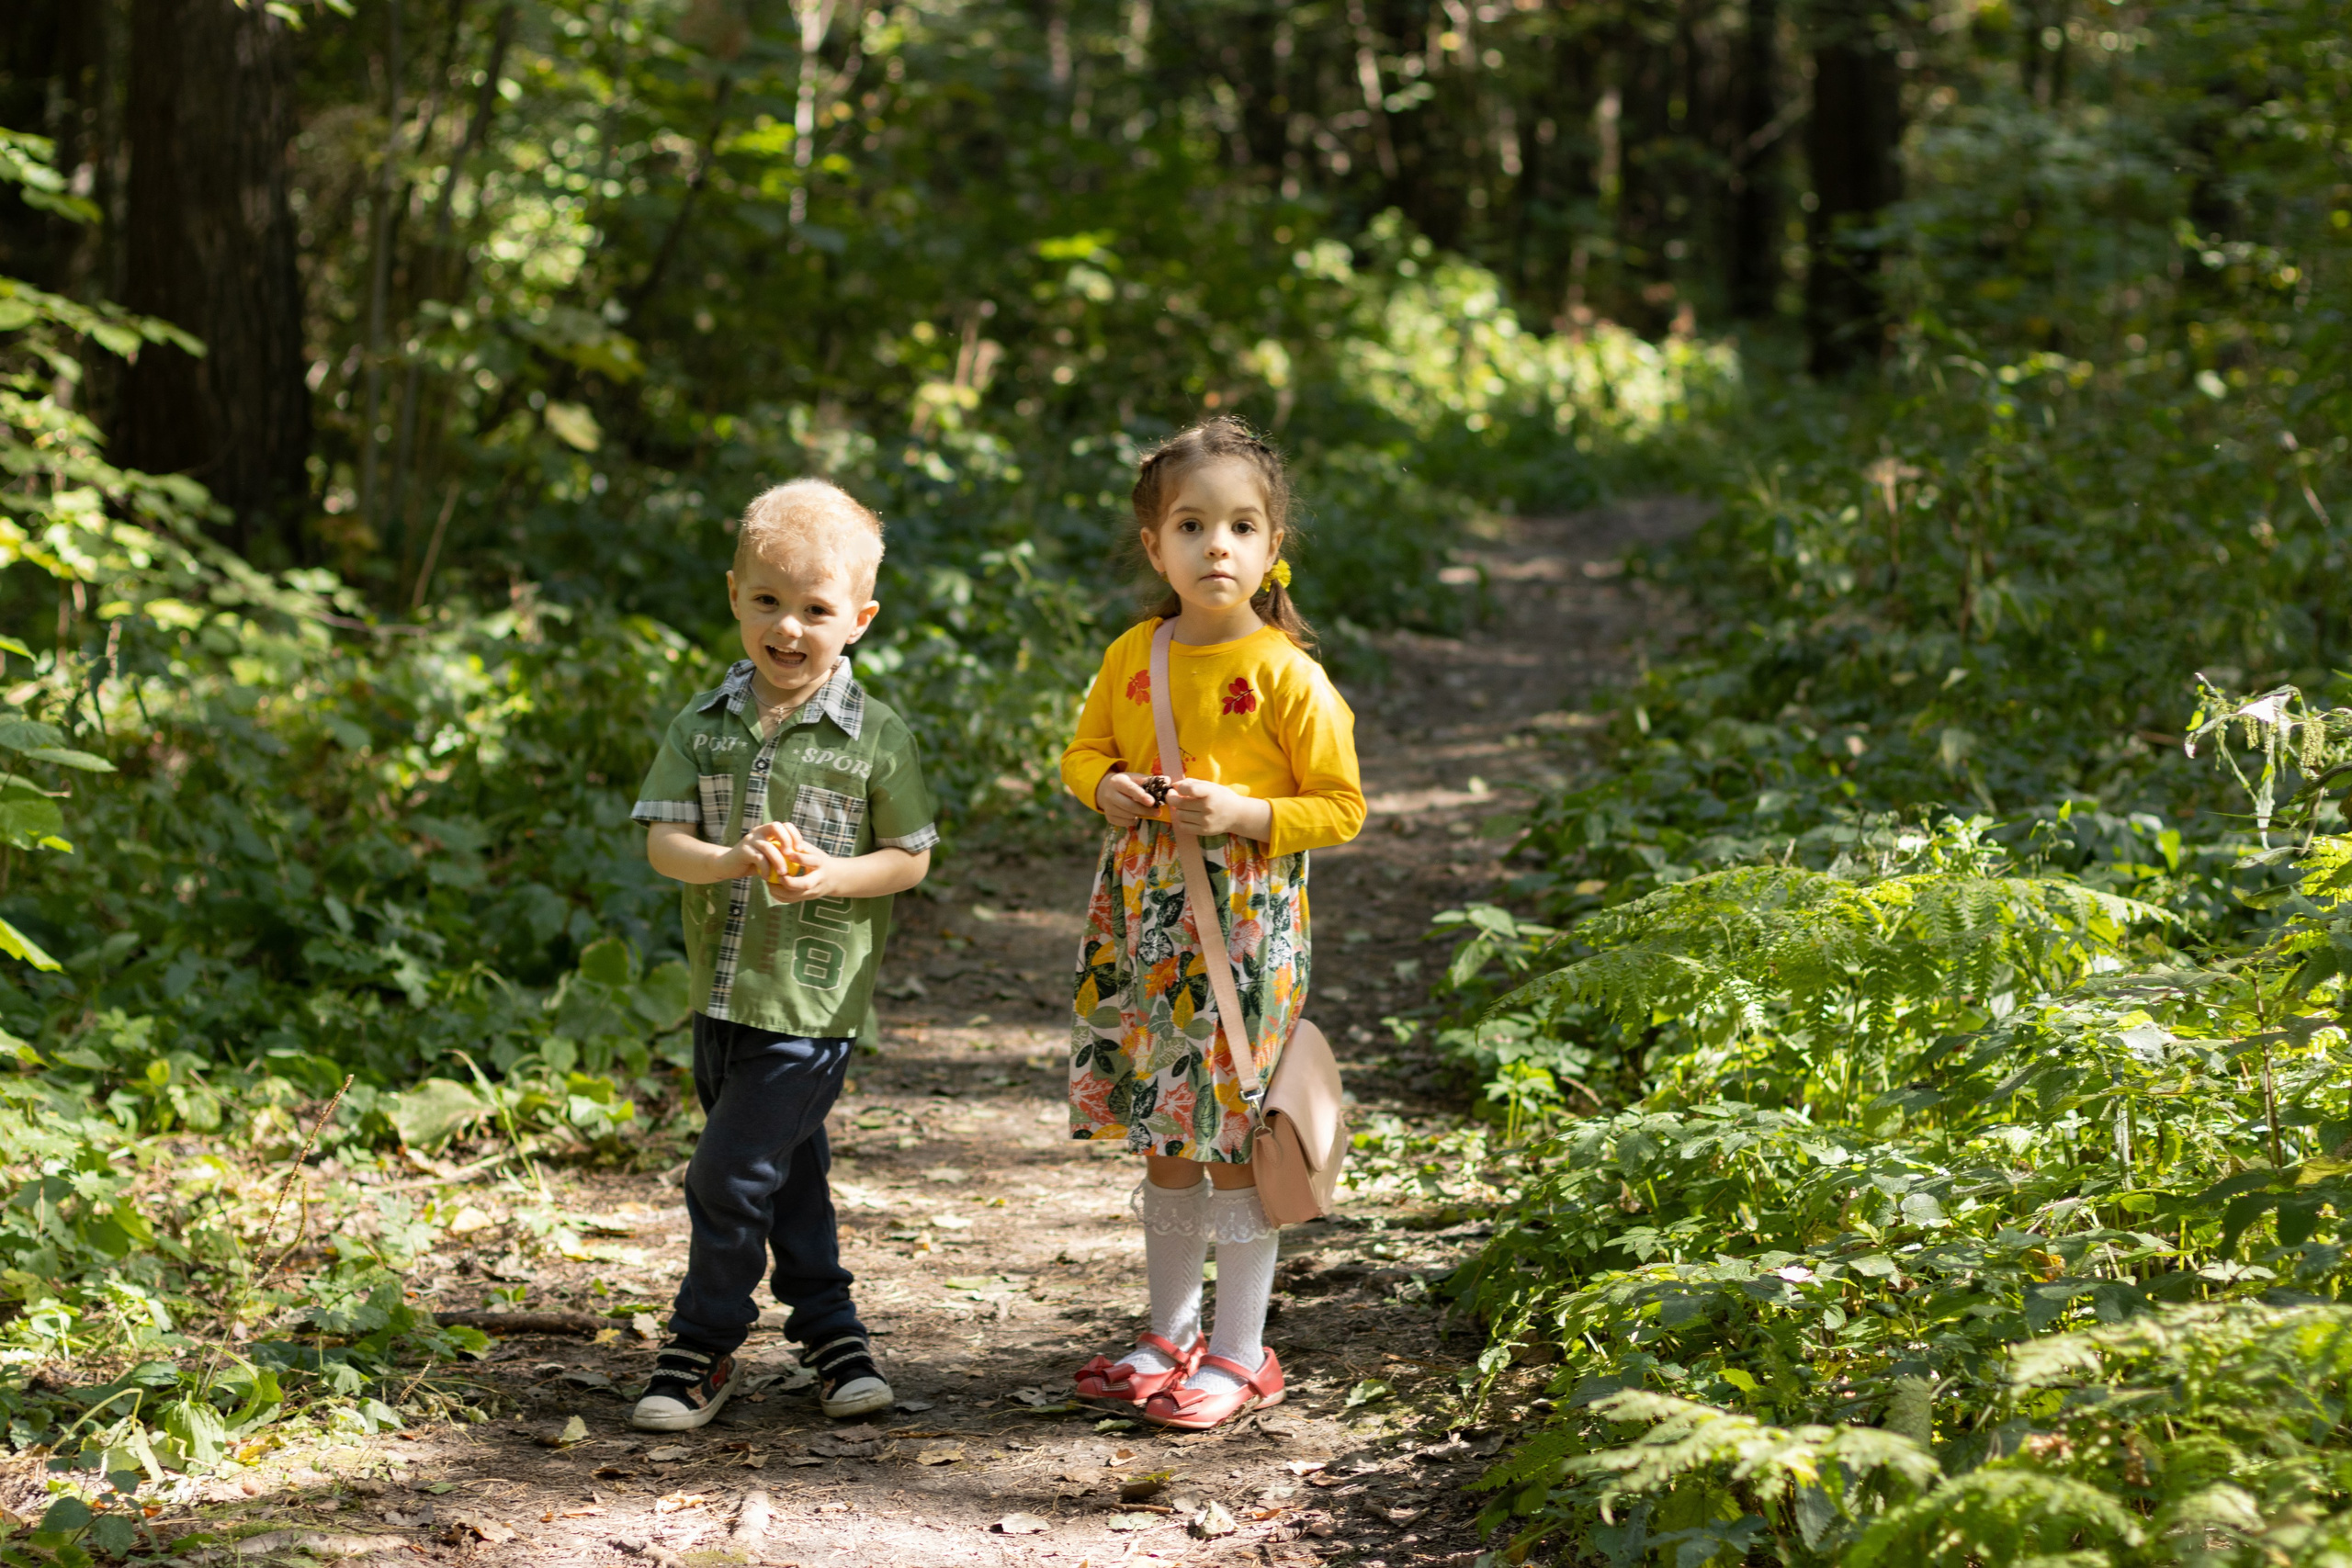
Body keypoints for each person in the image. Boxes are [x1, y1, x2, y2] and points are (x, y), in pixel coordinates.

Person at [1057, 417, 1366, 1430]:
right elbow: (1083, 752)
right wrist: (1103, 785)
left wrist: (1241, 813)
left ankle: (1240, 1351)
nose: (1216, 546)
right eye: (1191, 526)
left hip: (1242, 934)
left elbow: (1340, 807)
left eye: (1240, 526)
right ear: (1156, 547)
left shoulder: (1285, 673)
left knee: (1231, 1135)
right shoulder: (1133, 654)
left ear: (1273, 547)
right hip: (1143, 931)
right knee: (1165, 1131)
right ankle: (1167, 1334)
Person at [627, 479, 940, 1431]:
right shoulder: (702, 724)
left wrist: (832, 876)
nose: (789, 627)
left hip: (811, 1007)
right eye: (767, 600)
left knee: (724, 1176)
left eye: (816, 609)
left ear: (860, 620)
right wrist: (728, 858)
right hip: (722, 994)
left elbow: (910, 860)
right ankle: (834, 1338)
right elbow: (663, 842)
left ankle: (701, 1345)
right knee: (788, 1175)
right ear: (735, 596)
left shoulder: (876, 737)